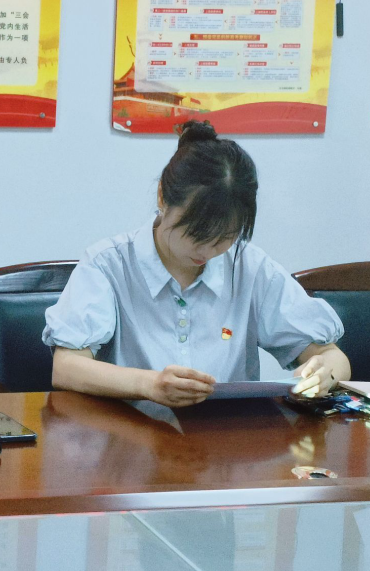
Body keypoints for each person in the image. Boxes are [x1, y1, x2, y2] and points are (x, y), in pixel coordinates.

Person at [43, 120, 350, 407]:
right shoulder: (109, 265)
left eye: (224, 238)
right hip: (130, 436)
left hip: (227, 439)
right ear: (163, 197)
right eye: (196, 234)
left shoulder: (250, 269)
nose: (207, 251)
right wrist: (149, 385)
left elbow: (332, 356)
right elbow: (67, 367)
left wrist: (325, 374)